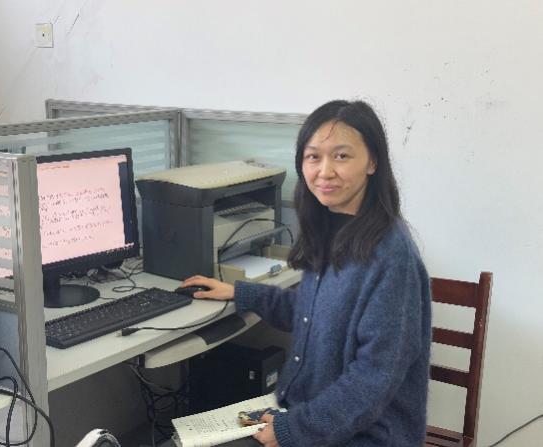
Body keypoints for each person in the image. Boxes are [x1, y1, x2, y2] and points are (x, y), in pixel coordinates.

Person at [181, 100, 431, 447]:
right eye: (313, 157)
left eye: (341, 156)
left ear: (373, 161)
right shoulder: (332, 227)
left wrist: (293, 430)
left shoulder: (391, 256)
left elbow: (374, 378)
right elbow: (312, 313)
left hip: (364, 436)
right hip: (312, 417)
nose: (324, 171)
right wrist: (240, 293)